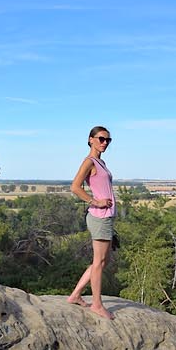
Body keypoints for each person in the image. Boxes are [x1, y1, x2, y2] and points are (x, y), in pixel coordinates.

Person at [67, 125, 117, 319]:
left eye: (108, 140)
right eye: (101, 139)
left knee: (103, 261)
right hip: (99, 216)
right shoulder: (89, 161)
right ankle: (97, 305)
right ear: (90, 139)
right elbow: (75, 187)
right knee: (99, 262)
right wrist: (95, 201)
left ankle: (75, 295)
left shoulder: (100, 162)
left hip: (106, 217)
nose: (104, 143)